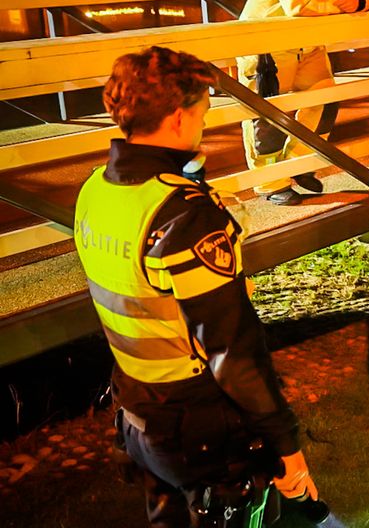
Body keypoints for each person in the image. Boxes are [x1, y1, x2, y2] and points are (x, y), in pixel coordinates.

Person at [75, 46, 318, 527]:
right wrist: (286, 446)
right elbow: (233, 351)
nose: (204, 125)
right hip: (197, 423)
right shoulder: (186, 214)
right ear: (179, 117)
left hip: (136, 407)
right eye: (203, 113)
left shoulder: (96, 189)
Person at [236, 0, 369, 205]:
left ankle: (299, 166)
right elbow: (297, 4)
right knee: (267, 116)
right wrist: (344, 4)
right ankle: (270, 185)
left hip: (308, 41)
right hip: (268, 42)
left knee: (323, 101)